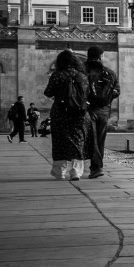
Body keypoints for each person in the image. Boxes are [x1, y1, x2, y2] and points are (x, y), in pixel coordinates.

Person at [44, 49, 90, 180]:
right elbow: (88, 94)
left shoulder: (57, 75)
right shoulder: (82, 76)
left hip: (60, 112)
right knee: (78, 140)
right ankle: (76, 171)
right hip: (80, 113)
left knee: (59, 141)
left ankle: (59, 172)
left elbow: (48, 92)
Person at [85, 45, 120, 180]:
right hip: (104, 110)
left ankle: (94, 167)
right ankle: (97, 167)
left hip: (87, 109)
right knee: (99, 139)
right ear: (100, 56)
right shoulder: (110, 73)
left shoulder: (83, 71)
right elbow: (117, 91)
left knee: (91, 138)